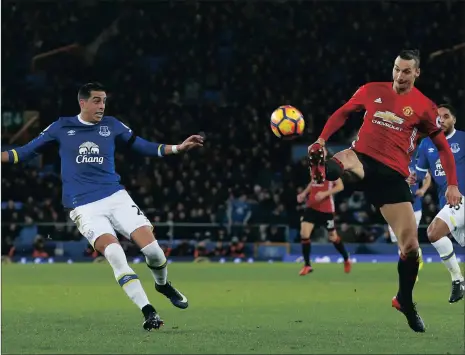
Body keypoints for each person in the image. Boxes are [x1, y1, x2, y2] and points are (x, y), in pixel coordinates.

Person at [1, 82, 205, 331]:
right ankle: (148, 311)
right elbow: (21, 153)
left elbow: (143, 146)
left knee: (154, 252)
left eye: (104, 101)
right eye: (97, 101)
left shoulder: (112, 125)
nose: (102, 106)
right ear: (82, 103)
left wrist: (178, 148)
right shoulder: (61, 127)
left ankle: (162, 285)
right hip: (83, 205)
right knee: (115, 254)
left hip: (116, 197)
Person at [307, 50, 461, 333]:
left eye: (406, 72)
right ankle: (321, 165)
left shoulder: (425, 107)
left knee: (411, 248)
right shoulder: (371, 90)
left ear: (416, 73)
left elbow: (443, 148)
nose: (399, 76)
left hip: (392, 177)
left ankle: (404, 299)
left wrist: (452, 183)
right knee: (341, 162)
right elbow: (342, 113)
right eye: (396, 69)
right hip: (362, 158)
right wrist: (320, 139)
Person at [415, 103, 465, 303]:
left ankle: (457, 280)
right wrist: (410, 177)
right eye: (438, 117)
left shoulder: (462, 139)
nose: (441, 120)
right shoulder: (426, 144)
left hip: (461, 199)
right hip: (447, 203)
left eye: (446, 116)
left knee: (434, 232)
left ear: (454, 119)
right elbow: (418, 173)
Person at [297, 149, 351, 276]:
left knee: (333, 237)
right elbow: (313, 182)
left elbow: (340, 186)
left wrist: (324, 194)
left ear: (325, 153)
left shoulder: (331, 167)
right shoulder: (313, 167)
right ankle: (307, 265)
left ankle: (346, 259)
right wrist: (304, 193)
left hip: (326, 209)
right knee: (304, 233)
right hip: (311, 206)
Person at [388, 158, 431, 275]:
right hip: (394, 206)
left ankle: (409, 271)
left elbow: (428, 177)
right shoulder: (392, 161)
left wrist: (422, 190)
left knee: (407, 240)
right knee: (399, 240)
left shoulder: (417, 163)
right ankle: (416, 257)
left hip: (414, 207)